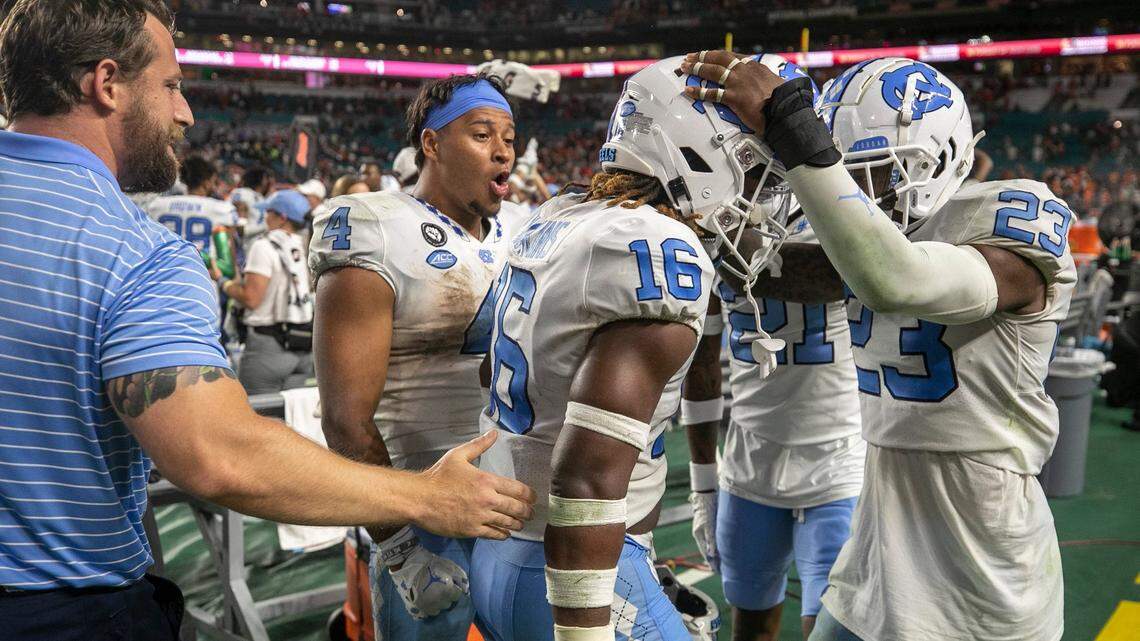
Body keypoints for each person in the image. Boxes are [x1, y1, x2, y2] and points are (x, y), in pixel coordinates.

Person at [0, 3, 533, 638]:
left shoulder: (522, 226)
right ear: (106, 83)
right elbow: (217, 454)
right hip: (60, 603)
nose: (186, 112)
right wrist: (420, 505)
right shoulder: (129, 250)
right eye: (171, 85)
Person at [681, 52, 1074, 641]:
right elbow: (791, 269)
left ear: (942, 154)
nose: (871, 191)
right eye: (855, 173)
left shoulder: (1007, 223)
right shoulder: (862, 240)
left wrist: (790, 121)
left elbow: (895, 280)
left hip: (982, 552)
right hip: (879, 537)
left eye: (886, 171)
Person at [469, 56, 789, 641]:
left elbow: (494, 368)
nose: (767, 199)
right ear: (701, 157)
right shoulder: (657, 247)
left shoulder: (561, 214)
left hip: (502, 555)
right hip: (573, 571)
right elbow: (585, 481)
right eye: (756, 171)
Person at [309, 73, 516, 641]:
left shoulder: (525, 229)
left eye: (509, 137)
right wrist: (399, 545)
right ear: (431, 144)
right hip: (423, 511)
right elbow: (344, 418)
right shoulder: (373, 226)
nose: (502, 151)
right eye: (481, 134)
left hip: (516, 505)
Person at [682, 54, 864, 641]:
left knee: (829, 632)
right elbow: (702, 369)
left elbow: (838, 270)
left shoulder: (846, 207)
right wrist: (705, 483)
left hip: (841, 466)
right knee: (750, 631)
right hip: (750, 467)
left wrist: (722, 250)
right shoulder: (709, 218)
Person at [223, 189, 315, 394]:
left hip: (268, 347)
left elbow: (252, 298)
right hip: (303, 346)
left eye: (269, 212)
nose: (265, 216)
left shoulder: (264, 246)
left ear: (282, 217)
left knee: (257, 419)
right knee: (290, 420)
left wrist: (224, 283)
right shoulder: (305, 244)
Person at [146, 154, 239, 280]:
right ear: (206, 183)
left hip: (162, 276)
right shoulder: (221, 209)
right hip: (201, 280)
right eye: (213, 182)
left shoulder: (157, 205)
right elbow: (229, 264)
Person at [228, 163, 275, 249]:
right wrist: (267, 226)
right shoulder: (242, 192)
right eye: (266, 178)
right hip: (243, 250)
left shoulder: (259, 197)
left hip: (254, 247)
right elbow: (240, 229)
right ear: (262, 180)